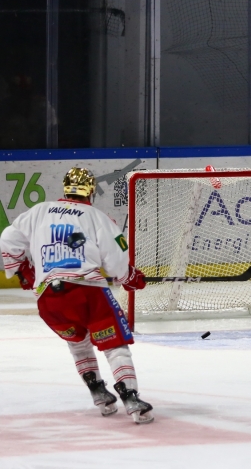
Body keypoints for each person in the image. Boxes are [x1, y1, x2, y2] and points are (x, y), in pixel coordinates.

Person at [0, 167, 153, 423]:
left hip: (49, 299)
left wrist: (21, 269)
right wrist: (129, 278)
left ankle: (99, 394)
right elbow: (115, 263)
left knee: (78, 344)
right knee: (114, 346)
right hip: (88, 294)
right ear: (91, 190)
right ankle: (131, 398)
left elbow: (7, 239)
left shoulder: (39, 211)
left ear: (65, 188)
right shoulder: (98, 218)